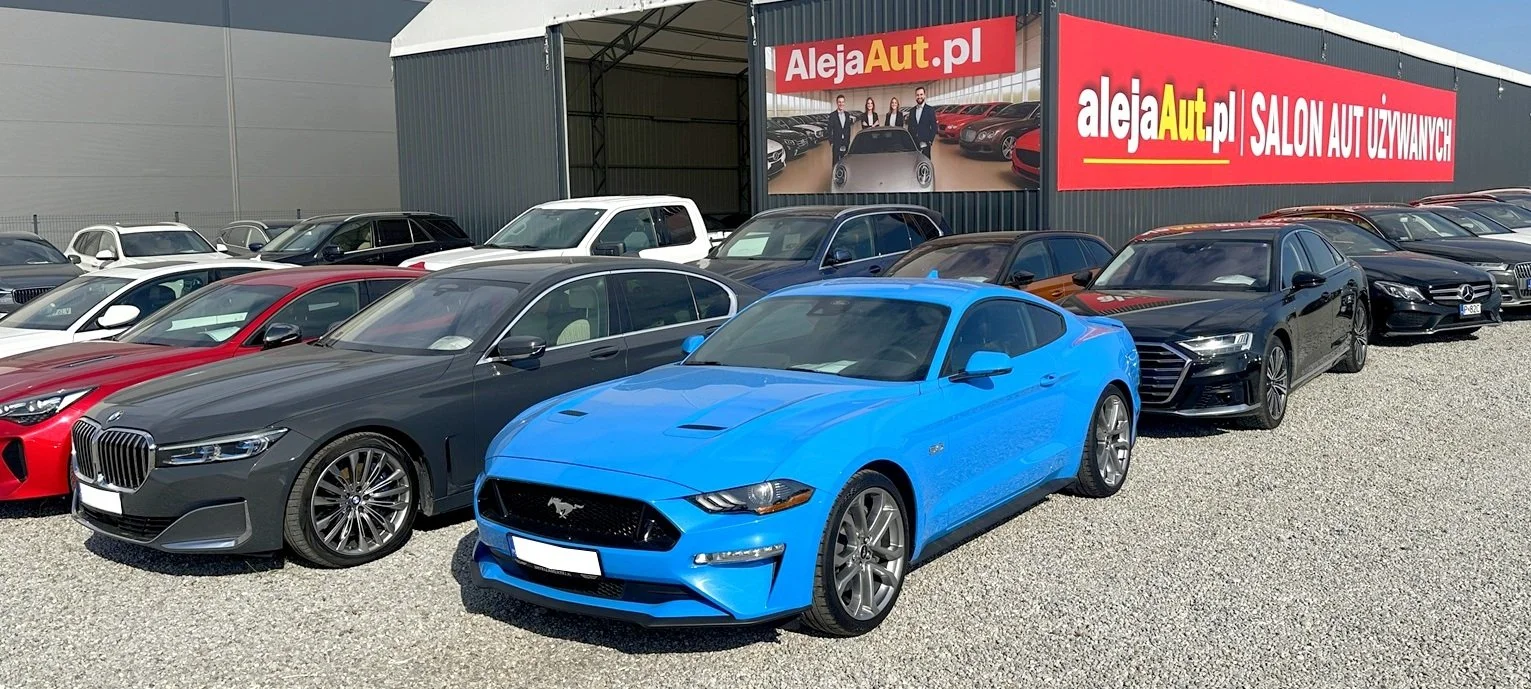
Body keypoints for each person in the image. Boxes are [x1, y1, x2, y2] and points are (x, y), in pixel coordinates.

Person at [907, 86, 938, 164]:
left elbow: (934, 127)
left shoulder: (930, 110)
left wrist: (930, 141)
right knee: (915, 164)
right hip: (914, 145)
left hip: (926, 144)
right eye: (917, 95)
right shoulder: (912, 111)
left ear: (924, 95)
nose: (919, 97)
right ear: (915, 96)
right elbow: (910, 127)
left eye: (921, 94)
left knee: (926, 164)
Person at [828, 94, 853, 165]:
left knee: (845, 161)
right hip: (836, 142)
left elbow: (848, 128)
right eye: (839, 102)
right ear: (837, 103)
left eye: (842, 102)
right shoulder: (832, 115)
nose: (841, 104)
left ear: (844, 103)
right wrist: (831, 142)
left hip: (845, 142)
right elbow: (829, 129)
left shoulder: (847, 114)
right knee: (835, 161)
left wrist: (848, 141)